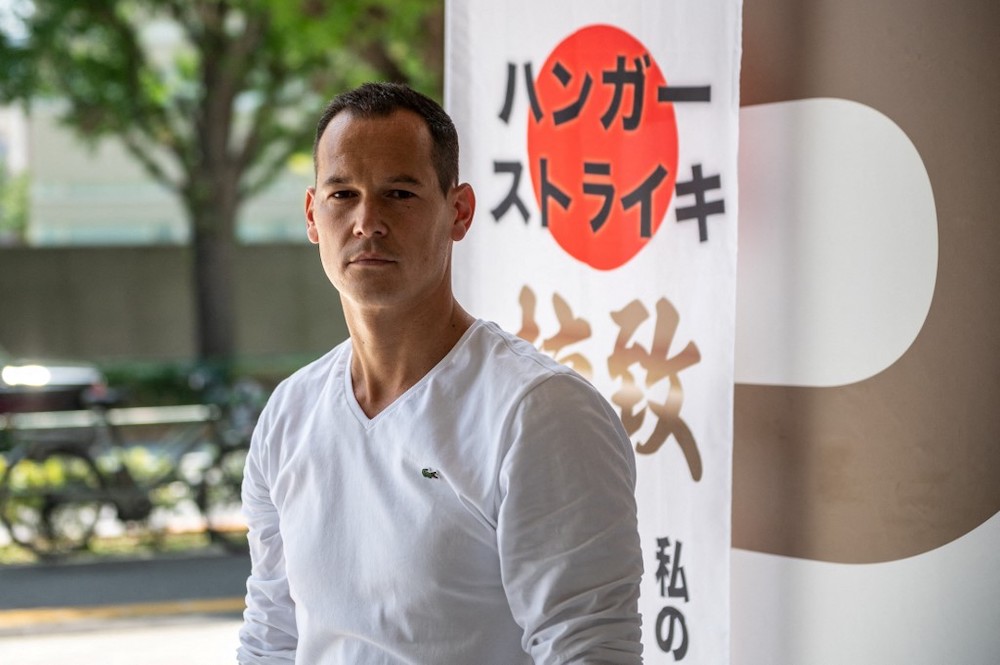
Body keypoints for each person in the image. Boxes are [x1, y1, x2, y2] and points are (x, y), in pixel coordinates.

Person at [237, 81, 644, 664]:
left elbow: (589, 648)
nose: (367, 221)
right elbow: (272, 636)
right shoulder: (290, 413)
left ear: (459, 212)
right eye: (343, 194)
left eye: (400, 193)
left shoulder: (539, 412)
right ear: (311, 214)